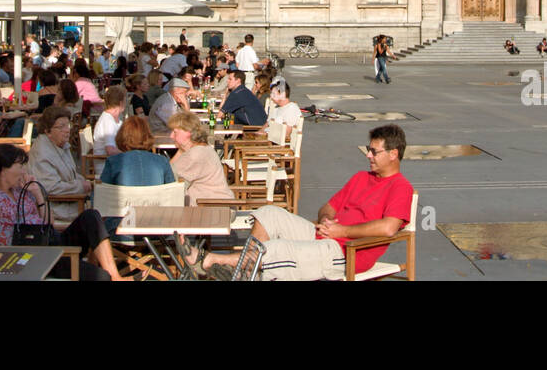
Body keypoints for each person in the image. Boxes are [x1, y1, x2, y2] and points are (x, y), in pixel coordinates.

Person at [187, 125, 414, 281]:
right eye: (369, 150)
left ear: (393, 154)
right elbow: (327, 207)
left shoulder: (400, 187)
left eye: (374, 151)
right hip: (327, 235)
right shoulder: (361, 178)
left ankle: (219, 261)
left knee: (275, 249)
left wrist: (341, 230)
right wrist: (326, 221)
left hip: (348, 252)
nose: (368, 155)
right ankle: (244, 268)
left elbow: (388, 227)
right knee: (269, 213)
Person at [0, 144, 126, 281]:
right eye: (20, 166)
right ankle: (108, 276)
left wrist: (38, 194)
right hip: (30, 255)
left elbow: (49, 221)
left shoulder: (22, 190)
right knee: (99, 276)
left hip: (49, 241)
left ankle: (115, 275)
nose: (24, 171)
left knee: (91, 216)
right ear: (4, 169)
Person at [28, 106, 91, 213]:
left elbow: (72, 175)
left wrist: (84, 182)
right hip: (55, 208)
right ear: (48, 131)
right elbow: (51, 188)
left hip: (71, 201)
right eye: (61, 127)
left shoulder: (62, 145)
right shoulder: (42, 153)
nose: (67, 130)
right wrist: (80, 186)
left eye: (68, 125)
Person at [168, 111, 232, 205]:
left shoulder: (194, 155)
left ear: (187, 132)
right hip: (218, 204)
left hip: (213, 209)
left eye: (175, 132)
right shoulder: (203, 148)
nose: (171, 136)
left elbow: (167, 177)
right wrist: (181, 150)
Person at [99, 117, 176, 189]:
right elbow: (172, 193)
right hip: (154, 203)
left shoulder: (114, 162)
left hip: (125, 202)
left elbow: (101, 194)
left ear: (122, 136)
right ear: (147, 135)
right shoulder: (162, 161)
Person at [92, 86, 125, 156]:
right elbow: (110, 150)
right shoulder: (108, 121)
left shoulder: (111, 118)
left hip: (113, 161)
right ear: (121, 103)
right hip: (106, 164)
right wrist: (129, 153)